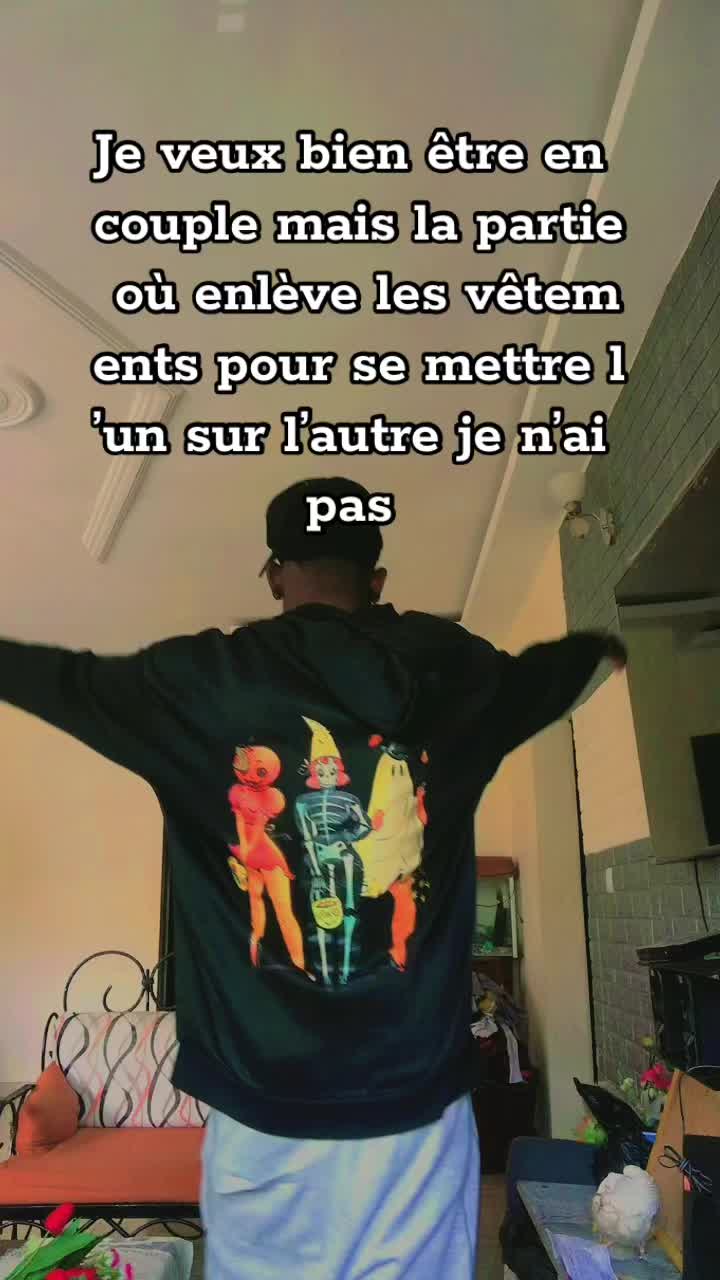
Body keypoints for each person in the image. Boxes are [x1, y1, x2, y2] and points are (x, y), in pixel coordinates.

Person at [0, 476, 627, 1279]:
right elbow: (553, 673)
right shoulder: (453, 670)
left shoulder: (197, 683)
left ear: (274, 574)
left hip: (261, 1117)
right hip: (415, 1119)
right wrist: (602, 651)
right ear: (376, 580)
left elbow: (64, 680)